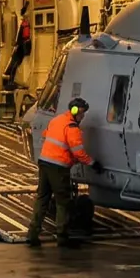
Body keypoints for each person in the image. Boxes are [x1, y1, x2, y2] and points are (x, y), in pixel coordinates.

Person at [27, 97, 93, 246]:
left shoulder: (56, 120)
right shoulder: (72, 128)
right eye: (82, 114)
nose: (82, 117)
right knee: (62, 201)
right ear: (75, 112)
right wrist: (93, 163)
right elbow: (79, 152)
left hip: (44, 163)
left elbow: (46, 136)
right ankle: (62, 237)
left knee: (42, 198)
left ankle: (32, 234)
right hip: (58, 168)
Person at [3, 6, 33, 88]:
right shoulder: (25, 24)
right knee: (15, 64)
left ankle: (10, 80)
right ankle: (10, 80)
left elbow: (20, 36)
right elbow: (22, 36)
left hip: (20, 46)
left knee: (15, 64)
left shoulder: (24, 24)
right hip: (21, 46)